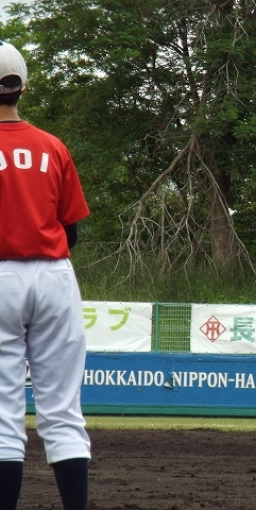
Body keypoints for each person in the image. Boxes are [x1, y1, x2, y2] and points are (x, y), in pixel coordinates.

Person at [0, 40, 91, 510]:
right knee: (62, 413)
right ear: (23, 86)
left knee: (2, 418)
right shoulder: (53, 146)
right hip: (55, 275)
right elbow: (70, 229)